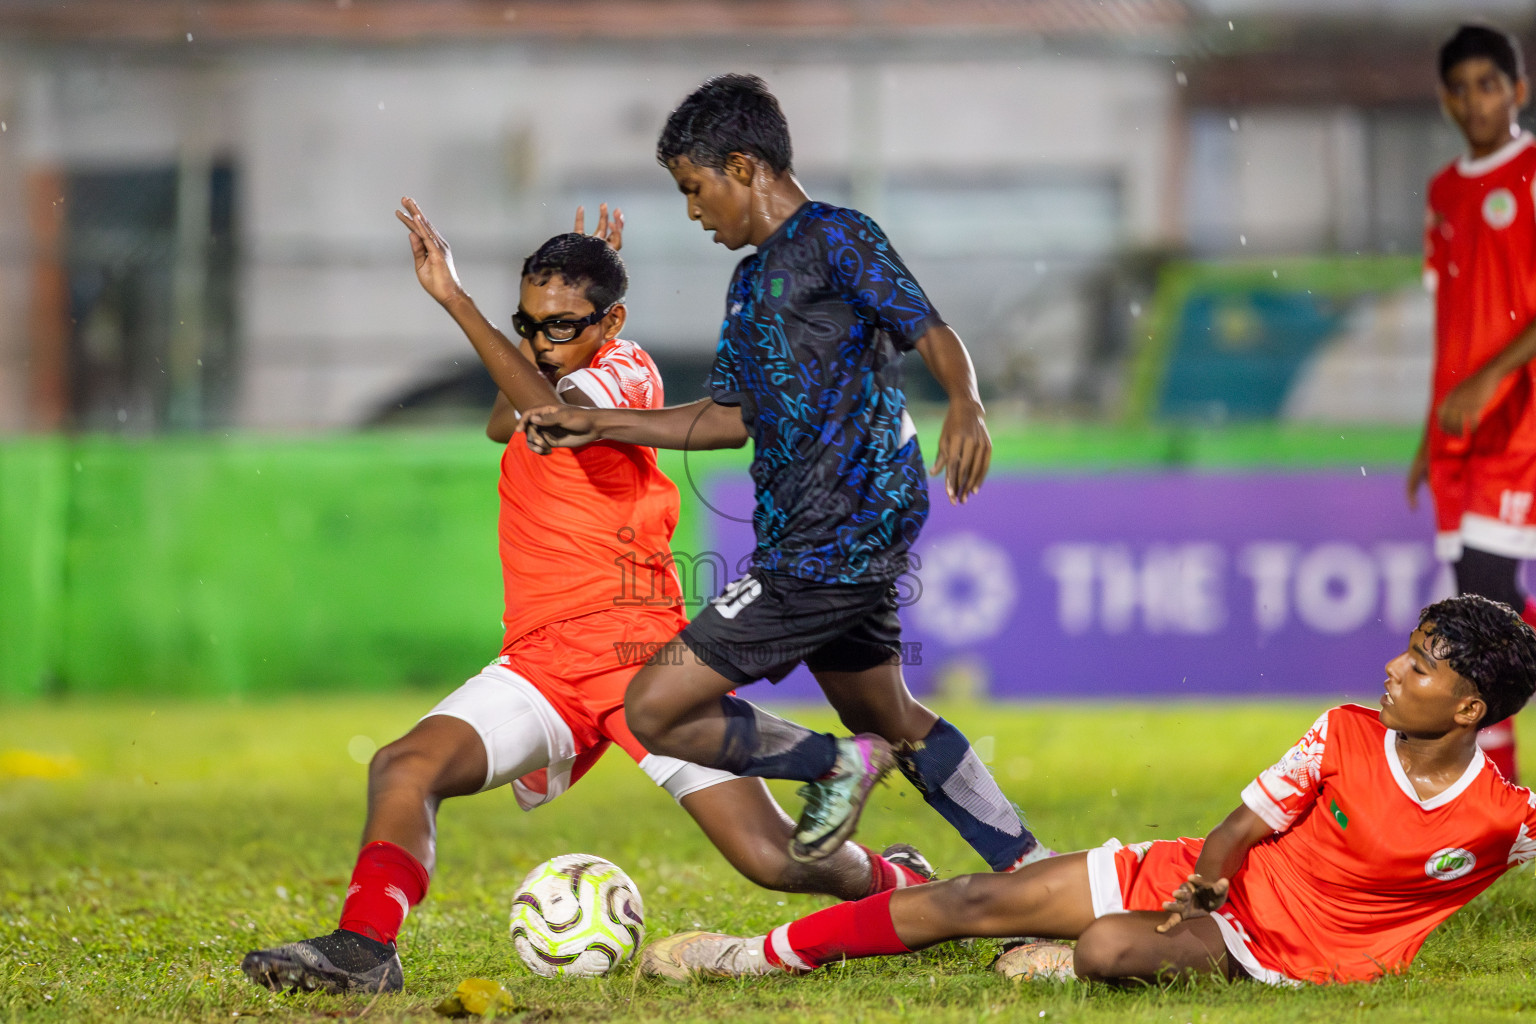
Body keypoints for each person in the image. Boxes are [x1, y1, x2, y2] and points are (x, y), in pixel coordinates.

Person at [238, 201, 935, 997]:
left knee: (773, 860)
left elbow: (547, 410)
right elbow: (510, 419)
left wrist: (458, 301)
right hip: (541, 663)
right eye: (529, 322)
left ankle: (895, 882)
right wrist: (557, 334)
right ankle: (365, 949)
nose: (540, 340)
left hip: (635, 658)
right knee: (405, 766)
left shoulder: (628, 370)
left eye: (563, 325)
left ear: (615, 322)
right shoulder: (557, 364)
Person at [524, 74, 1047, 872]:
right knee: (890, 713)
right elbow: (730, 417)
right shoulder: (746, 285)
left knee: (657, 707)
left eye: (695, 190)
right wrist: (594, 422)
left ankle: (836, 764)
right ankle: (1033, 867)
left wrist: (967, 401)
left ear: (743, 166)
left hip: (829, 540)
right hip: (827, 540)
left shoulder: (839, 236)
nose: (694, 212)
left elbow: (929, 328)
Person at [638, 594, 1536, 988]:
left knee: (1107, 952)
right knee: (975, 896)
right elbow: (1238, 828)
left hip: (1288, 957)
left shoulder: (1501, 816)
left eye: (1417, 666)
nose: (1393, 668)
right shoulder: (1345, 729)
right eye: (1404, 650)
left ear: (1468, 706)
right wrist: (1203, 885)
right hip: (1206, 885)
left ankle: (1066, 955)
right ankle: (752, 956)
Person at [1410, 22, 1536, 783]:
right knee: (1480, 610)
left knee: (1487, 615)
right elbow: (1452, 320)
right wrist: (1428, 433)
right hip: (1459, 434)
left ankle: (1497, 798)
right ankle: (1502, 799)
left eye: (1489, 84)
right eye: (1460, 88)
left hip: (1520, 424)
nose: (1474, 101)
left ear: (1518, 90)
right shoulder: (1445, 192)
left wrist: (1493, 377)